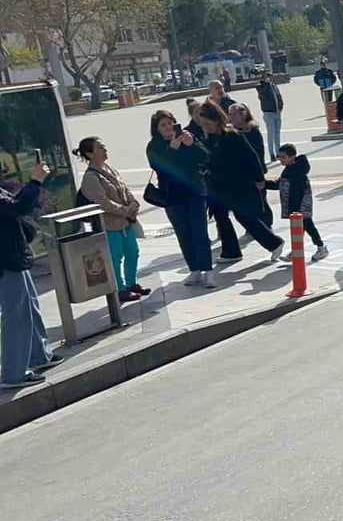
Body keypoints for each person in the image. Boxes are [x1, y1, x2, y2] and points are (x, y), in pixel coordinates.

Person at [196, 102, 285, 263]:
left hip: (237, 184)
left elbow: (252, 157)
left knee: (244, 216)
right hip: (217, 186)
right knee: (221, 217)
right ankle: (231, 252)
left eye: (207, 124)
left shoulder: (232, 135)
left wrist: (259, 179)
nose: (206, 127)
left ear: (216, 120)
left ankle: (274, 243)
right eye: (203, 124)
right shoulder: (208, 138)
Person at [0, 158, 60, 389]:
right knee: (16, 316)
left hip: (13, 256)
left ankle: (39, 355)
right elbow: (16, 207)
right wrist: (35, 182)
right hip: (6, 261)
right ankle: (14, 374)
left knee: (30, 308)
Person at [75, 137, 151, 302]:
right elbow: (103, 203)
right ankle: (120, 289)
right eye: (100, 147)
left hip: (125, 222)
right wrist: (125, 211)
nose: (105, 149)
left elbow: (124, 189)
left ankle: (131, 283)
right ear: (89, 154)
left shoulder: (110, 169)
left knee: (133, 252)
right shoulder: (90, 177)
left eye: (104, 146)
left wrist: (133, 203)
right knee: (115, 257)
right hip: (109, 224)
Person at [147, 110, 214, 287]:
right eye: (163, 125)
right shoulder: (154, 145)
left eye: (170, 123)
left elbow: (205, 157)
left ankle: (208, 270)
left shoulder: (186, 136)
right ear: (157, 129)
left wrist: (192, 144)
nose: (168, 128)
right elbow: (159, 165)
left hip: (194, 193)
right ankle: (194, 270)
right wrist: (173, 148)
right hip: (172, 196)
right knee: (184, 234)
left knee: (200, 232)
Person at [264, 143, 328, 262]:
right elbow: (280, 184)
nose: (281, 160)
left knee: (308, 225)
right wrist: (265, 184)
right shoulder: (289, 169)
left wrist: (294, 209)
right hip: (296, 206)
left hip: (301, 206)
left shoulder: (297, 171)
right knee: (300, 228)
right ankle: (297, 251)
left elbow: (298, 192)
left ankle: (321, 247)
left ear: (292, 156)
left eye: (283, 157)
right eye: (279, 157)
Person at [228, 103, 267, 172]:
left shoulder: (252, 131)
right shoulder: (230, 131)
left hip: (253, 170)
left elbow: (257, 153)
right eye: (230, 114)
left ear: (243, 115)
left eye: (234, 114)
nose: (231, 117)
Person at [255, 71, 284, 154]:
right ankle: (271, 153)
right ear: (264, 77)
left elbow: (278, 96)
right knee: (271, 134)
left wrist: (281, 106)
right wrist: (266, 84)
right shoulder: (260, 86)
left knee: (277, 133)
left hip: (277, 112)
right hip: (269, 113)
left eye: (271, 76)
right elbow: (262, 95)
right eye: (268, 76)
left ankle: (278, 152)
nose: (270, 77)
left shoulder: (273, 85)